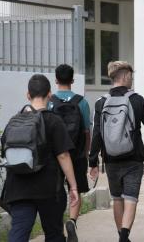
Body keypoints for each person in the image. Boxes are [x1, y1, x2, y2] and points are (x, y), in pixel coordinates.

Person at [89, 61, 144, 242]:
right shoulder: (136, 100)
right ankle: (124, 235)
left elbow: (97, 133)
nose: (131, 79)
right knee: (131, 198)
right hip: (134, 158)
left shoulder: (101, 102)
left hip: (110, 159)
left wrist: (93, 161)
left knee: (117, 198)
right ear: (123, 76)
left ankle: (120, 235)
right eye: (130, 75)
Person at [3, 74, 79, 242]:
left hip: (18, 188)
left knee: (19, 233)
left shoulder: (13, 122)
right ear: (50, 94)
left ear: (28, 95)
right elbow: (64, 155)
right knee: (53, 233)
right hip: (48, 189)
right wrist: (73, 187)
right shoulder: (54, 121)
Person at [49, 64, 91, 242]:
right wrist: (86, 153)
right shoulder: (81, 102)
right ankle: (72, 221)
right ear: (72, 80)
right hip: (77, 154)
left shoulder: (50, 101)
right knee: (76, 191)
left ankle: (57, 226)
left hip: (55, 155)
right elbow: (87, 132)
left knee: (55, 192)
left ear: (56, 80)